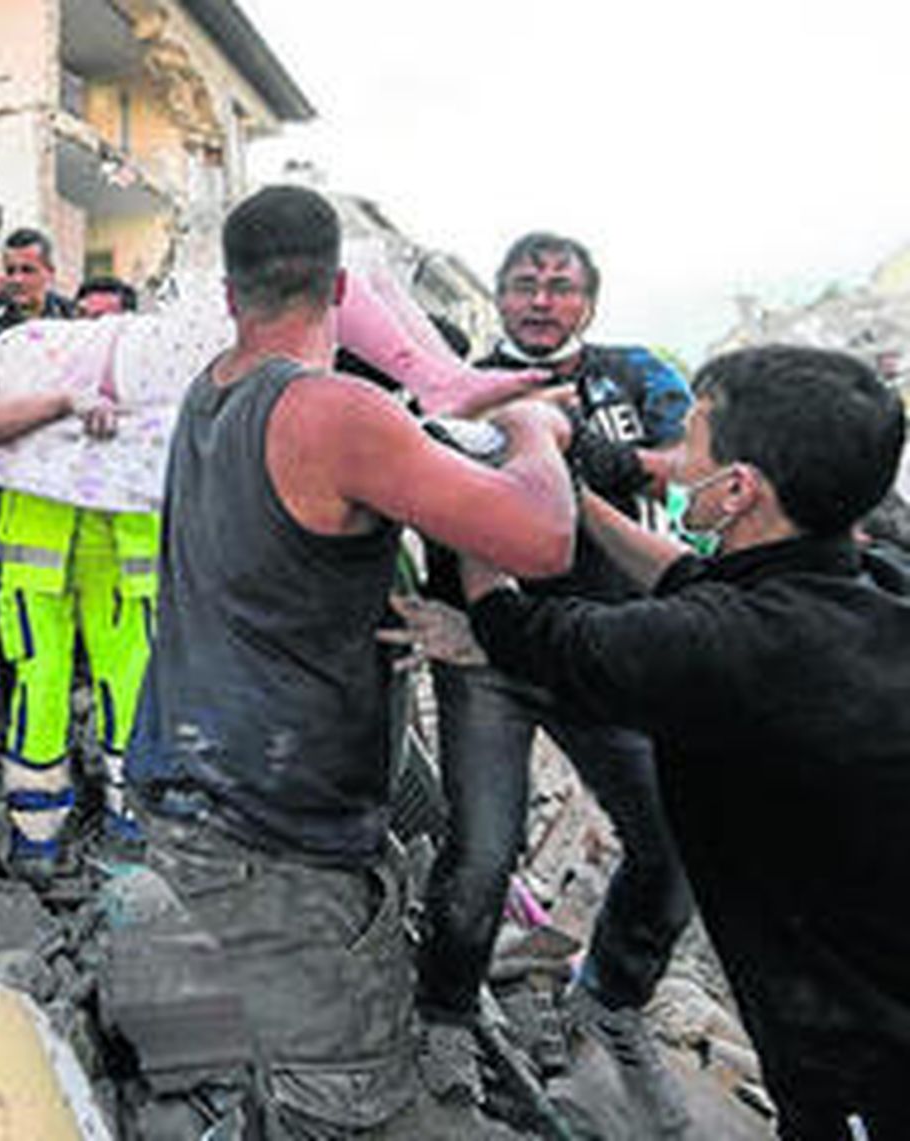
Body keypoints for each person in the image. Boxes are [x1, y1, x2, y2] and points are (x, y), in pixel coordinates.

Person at [123, 186, 577, 1137]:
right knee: (345, 1103)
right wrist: (536, 433)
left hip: (189, 788)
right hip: (276, 834)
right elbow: (539, 538)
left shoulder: (213, 389)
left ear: (228, 290)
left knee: (265, 1048)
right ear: (337, 285)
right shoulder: (334, 413)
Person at [457, 345, 910, 1140]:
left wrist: (487, 477)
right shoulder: (874, 585)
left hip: (858, 1041)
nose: (672, 461)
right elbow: (697, 586)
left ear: (737, 489)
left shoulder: (721, 649)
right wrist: (579, 495)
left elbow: (517, 626)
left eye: (693, 442)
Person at [413, 231, 697, 1129]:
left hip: (607, 650)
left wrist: (600, 461)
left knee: (671, 844)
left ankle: (609, 998)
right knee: (482, 853)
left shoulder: (636, 375)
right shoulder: (456, 386)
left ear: (590, 301)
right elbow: (405, 492)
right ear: (496, 297)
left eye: (561, 286)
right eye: (524, 284)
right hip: (487, 656)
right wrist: (432, 616)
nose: (541, 300)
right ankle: (447, 1019)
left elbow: (693, 464)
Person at [0, 273, 159, 879]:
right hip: (37, 563)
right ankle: (37, 834)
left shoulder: (153, 387)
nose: (95, 334)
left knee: (129, 692)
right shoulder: (29, 375)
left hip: (123, 564)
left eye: (109, 323)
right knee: (38, 693)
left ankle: (129, 826)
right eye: (86, 319)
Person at [0, 227, 75, 332]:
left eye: (27, 270)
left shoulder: (70, 319)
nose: (17, 279)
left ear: (50, 272)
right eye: (10, 271)